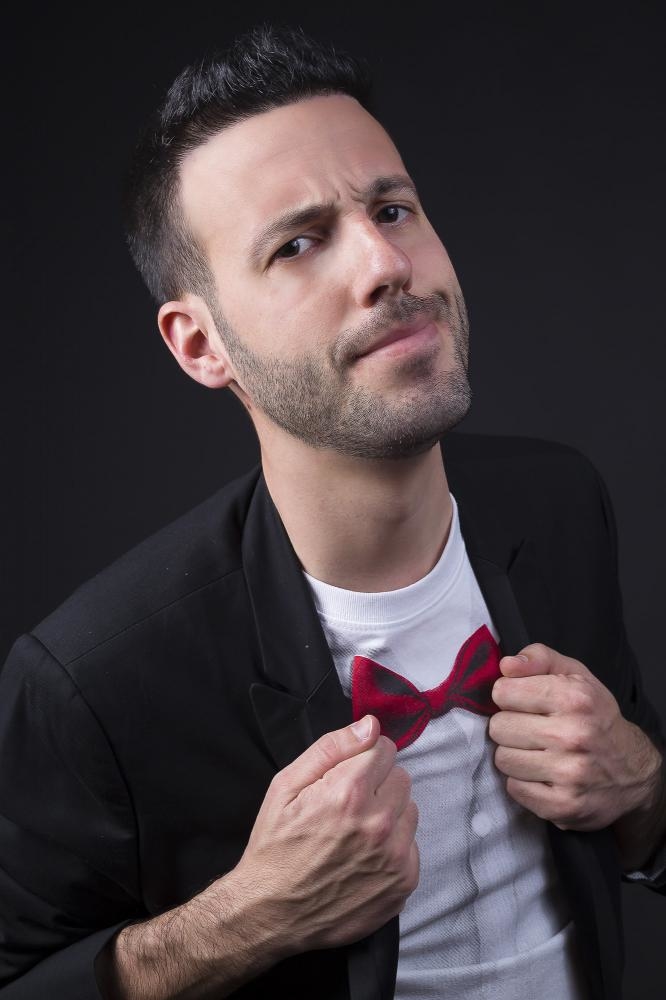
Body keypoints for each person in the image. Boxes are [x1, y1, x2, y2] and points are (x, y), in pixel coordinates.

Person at [0, 23, 664, 1000]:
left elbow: (643, 816)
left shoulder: (560, 503)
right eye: (299, 243)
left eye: (392, 209)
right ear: (199, 345)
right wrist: (246, 918)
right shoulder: (88, 682)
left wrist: (644, 787)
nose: (385, 264)